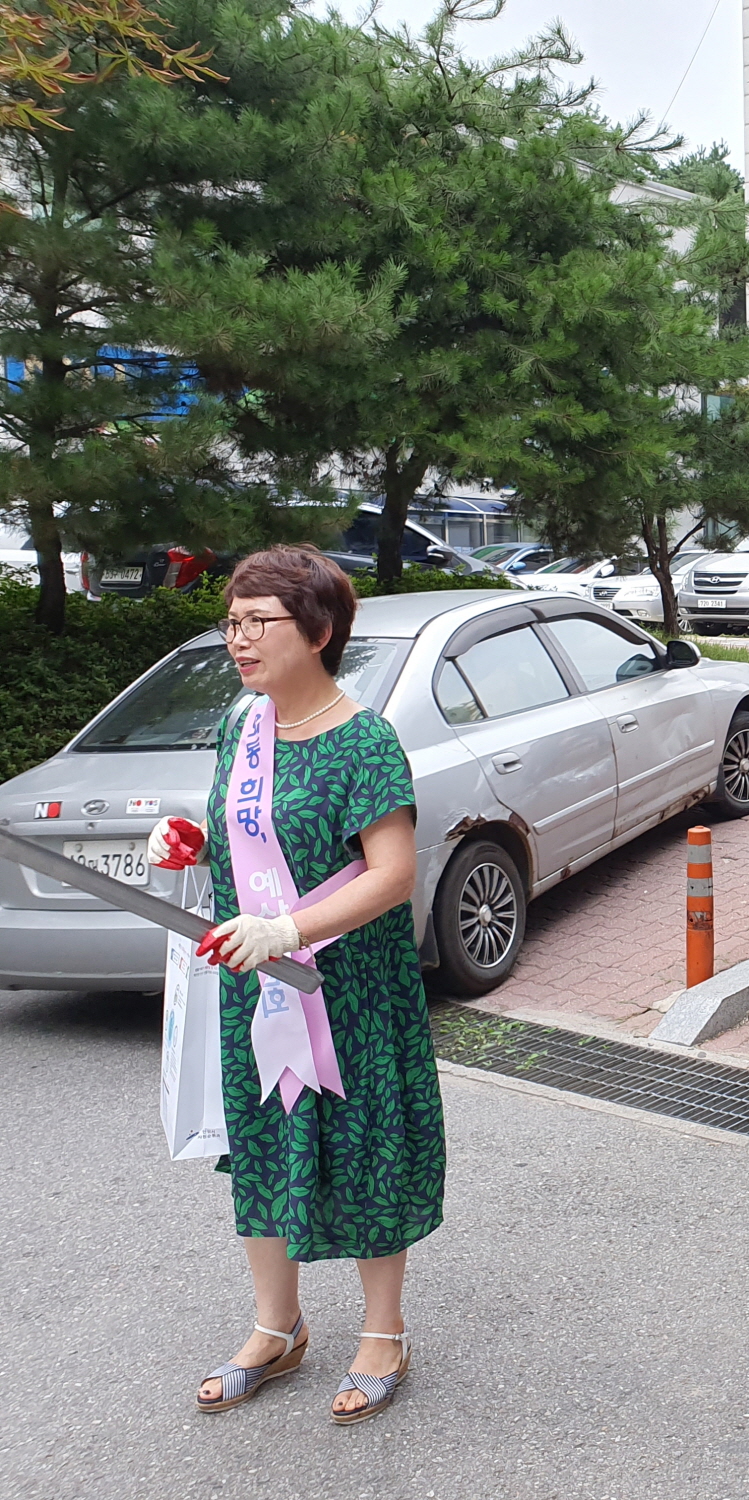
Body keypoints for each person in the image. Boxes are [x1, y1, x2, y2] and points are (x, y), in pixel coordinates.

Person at [145, 545, 442, 1425]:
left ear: (317, 631)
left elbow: (391, 875)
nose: (237, 638)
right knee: (266, 1143)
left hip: (347, 989)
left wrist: (291, 930)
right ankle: (277, 1327)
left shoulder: (366, 739)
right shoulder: (246, 724)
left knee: (364, 1146)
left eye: (256, 621)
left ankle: (383, 1332)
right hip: (257, 985)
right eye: (230, 621)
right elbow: (244, 837)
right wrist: (186, 845)